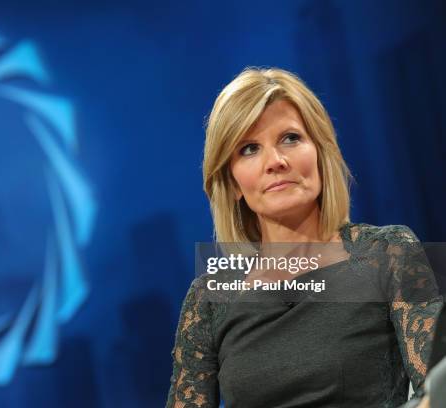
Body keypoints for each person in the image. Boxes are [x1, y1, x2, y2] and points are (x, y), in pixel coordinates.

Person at [166, 67, 444, 407]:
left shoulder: (388, 253)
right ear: (233, 182)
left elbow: (437, 389)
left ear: (320, 151)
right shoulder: (207, 300)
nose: (276, 161)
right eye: (250, 149)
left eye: (291, 138)